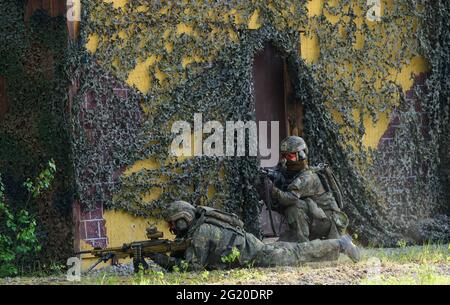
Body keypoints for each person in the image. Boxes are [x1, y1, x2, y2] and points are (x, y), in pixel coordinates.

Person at [148, 200, 360, 271]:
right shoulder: (199, 226)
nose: (172, 229)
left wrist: (163, 261)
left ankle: (340, 244)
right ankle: (338, 247)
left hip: (255, 255)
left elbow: (193, 269)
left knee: (297, 253)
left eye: (174, 224)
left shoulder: (201, 232)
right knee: (294, 251)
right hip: (253, 248)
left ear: (183, 219)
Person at [264, 136, 349, 243]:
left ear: (302, 155)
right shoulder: (296, 173)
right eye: (285, 156)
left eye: (291, 156)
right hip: (319, 218)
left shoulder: (307, 177)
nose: (287, 160)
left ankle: (303, 245)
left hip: (328, 224)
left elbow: (289, 198)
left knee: (294, 207)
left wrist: (273, 189)